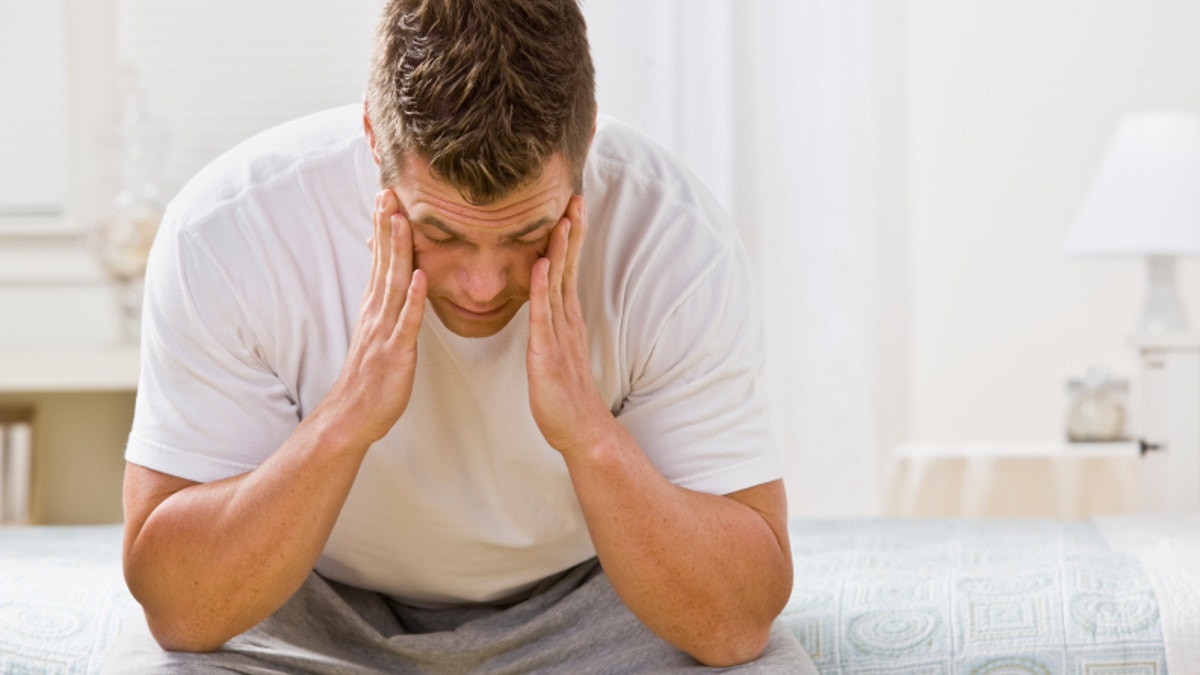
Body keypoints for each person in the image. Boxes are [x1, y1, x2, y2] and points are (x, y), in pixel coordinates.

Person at [107, 0, 817, 672]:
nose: (482, 285)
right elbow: (178, 608)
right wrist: (346, 416)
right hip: (302, 606)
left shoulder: (674, 239)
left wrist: (590, 434)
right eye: (439, 232)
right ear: (372, 138)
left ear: (587, 144)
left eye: (528, 234)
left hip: (598, 596)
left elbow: (737, 619)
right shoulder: (229, 229)